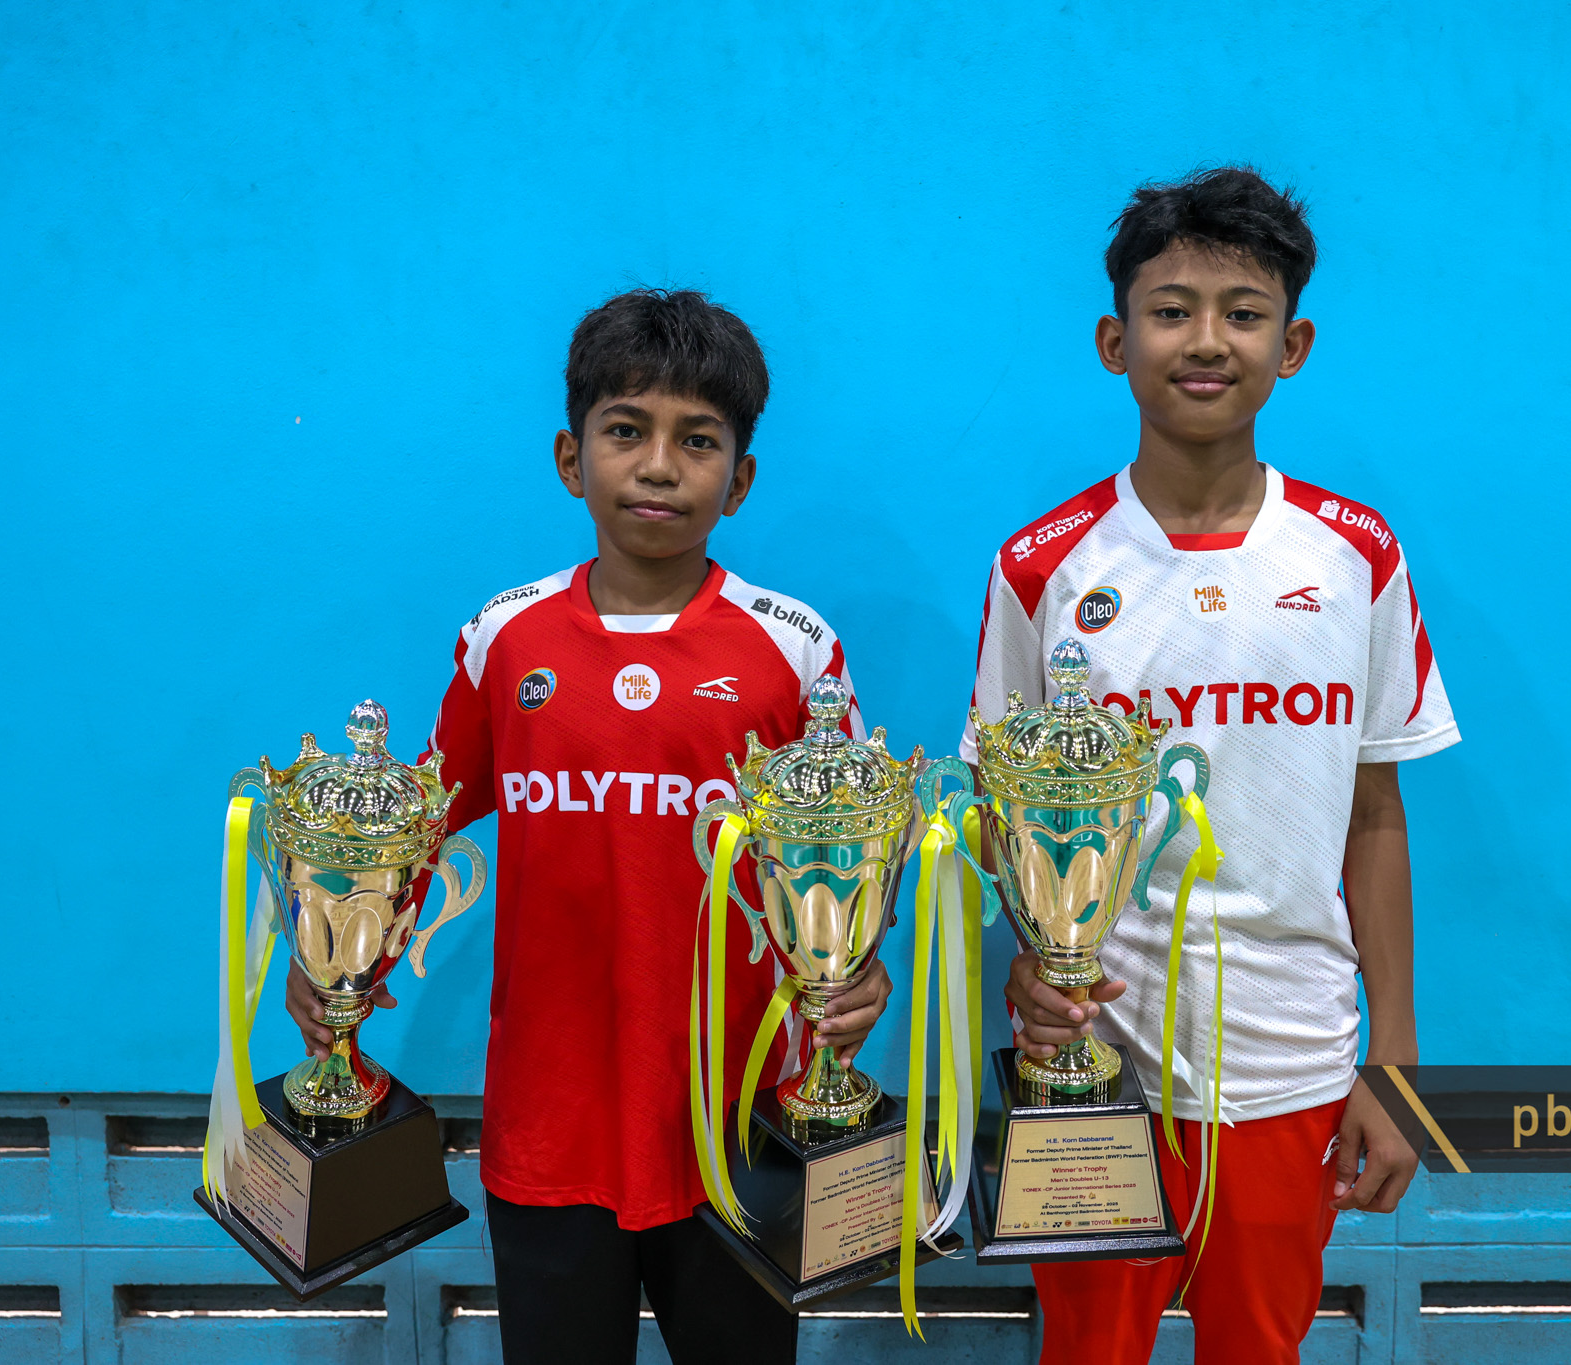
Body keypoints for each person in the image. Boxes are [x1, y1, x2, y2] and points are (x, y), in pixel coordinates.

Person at [285, 288, 892, 1365]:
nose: (659, 466)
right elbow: (412, 827)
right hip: (551, 1123)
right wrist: (343, 957)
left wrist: (861, 969)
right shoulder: (506, 637)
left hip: (737, 1116)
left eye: (697, 441)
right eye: (626, 431)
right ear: (571, 458)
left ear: (740, 479)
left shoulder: (793, 649)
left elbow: (847, 848)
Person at [965, 167, 1459, 1363]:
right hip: (1094, 1065)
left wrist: (1391, 1061)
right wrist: (1036, 963)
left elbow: (1374, 814)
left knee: (1258, 1346)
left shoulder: (1353, 556)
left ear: (1290, 345)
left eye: (1241, 313)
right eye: (1170, 309)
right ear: (1113, 341)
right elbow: (1000, 815)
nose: (1204, 341)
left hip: (1289, 1060)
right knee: (1086, 1352)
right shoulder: (1042, 568)